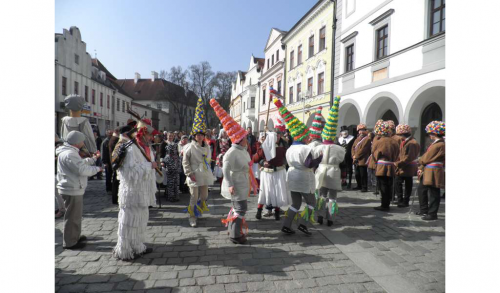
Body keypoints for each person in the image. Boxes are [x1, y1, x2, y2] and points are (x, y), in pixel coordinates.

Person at [112, 118, 162, 260]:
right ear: (141, 134)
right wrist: (149, 166)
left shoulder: (147, 148)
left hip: (143, 193)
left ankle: (138, 246)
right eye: (149, 135)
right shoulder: (130, 148)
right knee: (128, 221)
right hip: (132, 193)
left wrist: (154, 166)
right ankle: (124, 250)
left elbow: (150, 166)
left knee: (140, 220)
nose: (152, 138)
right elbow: (127, 172)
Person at [273, 98, 322, 236]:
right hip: (303, 178)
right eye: (307, 135)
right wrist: (319, 159)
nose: (308, 138)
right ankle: (303, 224)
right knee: (311, 202)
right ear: (302, 136)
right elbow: (308, 164)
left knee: (295, 204)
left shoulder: (290, 149)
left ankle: (286, 225)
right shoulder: (305, 149)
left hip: (292, 177)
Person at [56, 131, 102, 249]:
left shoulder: (70, 152)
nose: (83, 143)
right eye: (81, 141)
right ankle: (71, 242)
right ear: (76, 142)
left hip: (72, 187)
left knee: (74, 216)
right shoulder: (70, 154)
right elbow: (81, 170)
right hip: (72, 188)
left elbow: (80, 163)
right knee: (72, 217)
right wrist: (97, 169)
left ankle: (74, 237)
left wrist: (93, 159)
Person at [313, 97, 346, 226]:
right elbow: (343, 163)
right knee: (332, 197)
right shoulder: (339, 149)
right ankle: (331, 218)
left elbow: (314, 161)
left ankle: (320, 216)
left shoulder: (319, 147)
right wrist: (343, 176)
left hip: (321, 171)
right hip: (334, 172)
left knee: (322, 195)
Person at [183, 98, 214, 227]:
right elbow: (185, 161)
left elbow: (208, 160)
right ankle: (192, 216)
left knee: (204, 196)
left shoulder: (207, 147)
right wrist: (189, 173)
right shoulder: (190, 147)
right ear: (194, 136)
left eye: (201, 134)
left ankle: (198, 210)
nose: (199, 136)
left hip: (204, 174)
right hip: (194, 174)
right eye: (197, 135)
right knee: (194, 197)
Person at [253, 131, 289, 221]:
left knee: (265, 191)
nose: (278, 138)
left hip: (270, 173)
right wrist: (262, 161)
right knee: (275, 192)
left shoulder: (264, 149)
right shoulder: (281, 149)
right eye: (276, 137)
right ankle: (274, 213)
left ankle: (260, 211)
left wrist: (262, 160)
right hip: (275, 173)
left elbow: (255, 159)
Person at [417, 121, 445, 221]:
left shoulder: (439, 144)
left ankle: (432, 213)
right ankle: (424, 209)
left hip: (434, 170)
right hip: (429, 169)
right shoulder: (436, 143)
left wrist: (420, 160)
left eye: (430, 133)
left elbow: (427, 157)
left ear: (434, 133)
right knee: (422, 188)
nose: (429, 135)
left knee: (434, 191)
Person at [372, 121, 400, 212]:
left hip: (382, 166)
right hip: (391, 165)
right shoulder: (394, 141)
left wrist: (376, 159)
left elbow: (374, 153)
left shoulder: (380, 141)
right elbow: (398, 153)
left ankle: (384, 205)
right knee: (389, 185)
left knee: (383, 186)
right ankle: (387, 202)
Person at [394, 124, 420, 208]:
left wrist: (397, 163)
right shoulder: (404, 142)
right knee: (398, 183)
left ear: (402, 134)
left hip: (407, 166)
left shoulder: (412, 143)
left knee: (408, 184)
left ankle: (405, 201)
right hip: (402, 166)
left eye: (399, 135)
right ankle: (400, 199)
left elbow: (409, 157)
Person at [109, 127, 128, 205]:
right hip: (117, 164)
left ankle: (116, 198)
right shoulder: (118, 141)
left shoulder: (120, 140)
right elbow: (115, 154)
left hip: (116, 164)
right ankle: (115, 199)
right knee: (116, 183)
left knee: (116, 182)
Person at [351, 124, 372, 192]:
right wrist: (353, 155)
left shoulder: (367, 139)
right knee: (357, 174)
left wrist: (356, 156)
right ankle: (359, 185)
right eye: (360, 130)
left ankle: (364, 187)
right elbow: (353, 147)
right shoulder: (357, 139)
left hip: (363, 159)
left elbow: (364, 150)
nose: (361, 132)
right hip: (356, 159)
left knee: (363, 174)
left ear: (365, 131)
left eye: (363, 130)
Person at [162, 132, 180, 202]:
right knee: (170, 181)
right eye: (169, 136)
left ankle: (176, 196)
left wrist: (178, 162)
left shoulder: (175, 144)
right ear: (167, 136)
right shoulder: (164, 144)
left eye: (172, 136)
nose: (170, 137)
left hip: (176, 163)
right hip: (169, 164)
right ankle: (170, 196)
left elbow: (177, 154)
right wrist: (162, 162)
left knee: (176, 181)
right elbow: (162, 153)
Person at [55, 134, 66, 219]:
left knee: (58, 192)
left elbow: (61, 158)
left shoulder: (60, 145)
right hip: (56, 171)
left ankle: (62, 209)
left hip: (58, 172)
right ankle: (61, 208)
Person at [101, 129, 113, 193]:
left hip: (112, 161)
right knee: (108, 176)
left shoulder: (113, 140)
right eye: (109, 133)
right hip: (107, 161)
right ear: (107, 134)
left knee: (112, 176)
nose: (111, 134)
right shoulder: (105, 142)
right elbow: (103, 153)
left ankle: (111, 188)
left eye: (111, 133)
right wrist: (104, 162)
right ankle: (108, 189)